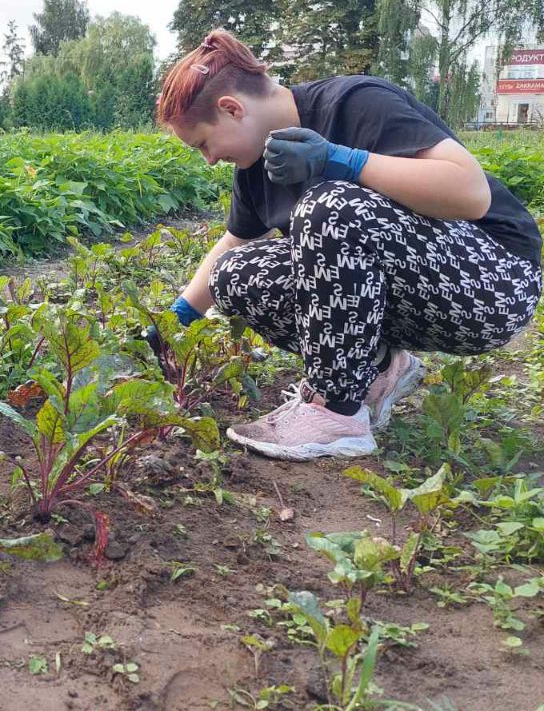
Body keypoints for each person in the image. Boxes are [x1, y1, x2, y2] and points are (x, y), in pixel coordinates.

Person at [156, 29, 542, 461]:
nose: (208, 160)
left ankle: (336, 413)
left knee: (329, 205)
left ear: (231, 109)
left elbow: (471, 194)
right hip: (412, 294)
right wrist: (177, 319)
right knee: (237, 275)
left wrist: (341, 161)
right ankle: (378, 367)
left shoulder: (357, 102)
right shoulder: (254, 167)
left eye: (204, 144)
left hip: (491, 285)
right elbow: (233, 243)